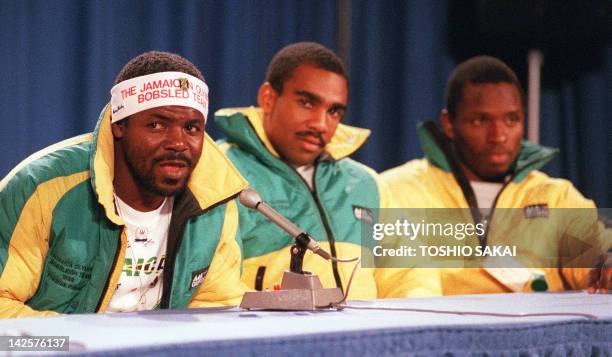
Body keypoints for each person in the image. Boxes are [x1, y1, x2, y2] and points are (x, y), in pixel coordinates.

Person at [0, 51, 249, 318]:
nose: (178, 143)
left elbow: (218, 311)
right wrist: (79, 344)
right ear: (119, 125)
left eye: (191, 128)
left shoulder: (214, 202)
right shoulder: (41, 187)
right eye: (156, 124)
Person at [214, 42, 438, 299]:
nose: (321, 124)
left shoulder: (365, 183)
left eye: (333, 111)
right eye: (307, 103)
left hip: (368, 338)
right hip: (270, 338)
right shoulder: (223, 174)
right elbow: (214, 289)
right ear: (268, 98)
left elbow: (412, 273)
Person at [381, 55, 610, 295]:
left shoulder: (555, 196)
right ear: (449, 123)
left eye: (511, 120)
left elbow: (597, 250)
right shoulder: (394, 191)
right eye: (481, 120)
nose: (499, 136)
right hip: (437, 331)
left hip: (534, 331)